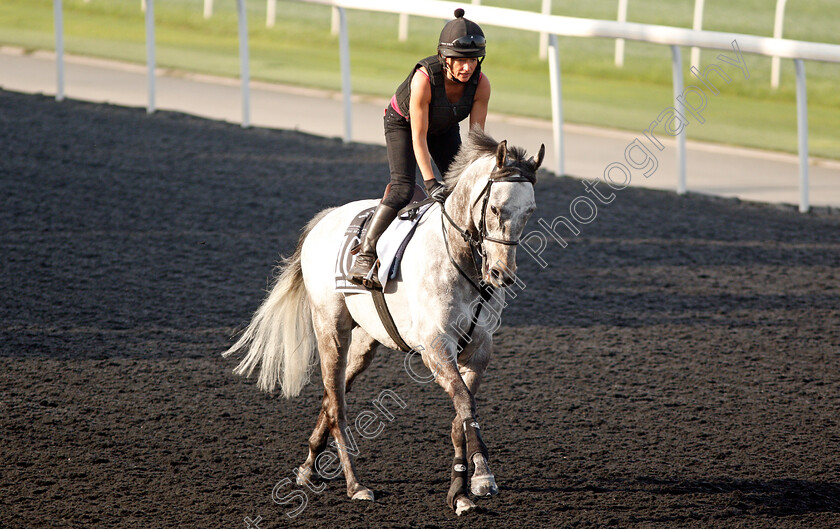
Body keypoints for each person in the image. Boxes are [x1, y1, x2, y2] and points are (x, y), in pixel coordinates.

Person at [349, 8, 491, 289]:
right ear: (444, 59)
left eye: (473, 61)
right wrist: (429, 182)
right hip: (403, 124)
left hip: (444, 127)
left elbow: (475, 142)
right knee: (403, 188)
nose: (467, 68)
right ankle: (365, 253)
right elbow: (419, 137)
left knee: (462, 187)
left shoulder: (481, 85)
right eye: (459, 61)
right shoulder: (423, 79)